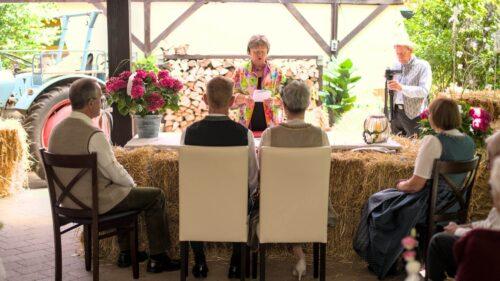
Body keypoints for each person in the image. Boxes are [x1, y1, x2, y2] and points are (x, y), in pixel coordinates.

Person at [48, 78, 180, 273]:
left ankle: (127, 253)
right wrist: (132, 185)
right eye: (101, 100)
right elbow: (114, 170)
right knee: (154, 195)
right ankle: (158, 257)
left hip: (67, 204)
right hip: (94, 203)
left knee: (118, 188)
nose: (102, 104)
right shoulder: (94, 134)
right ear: (91, 103)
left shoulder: (56, 131)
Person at [353, 98, 475, 279]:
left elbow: (416, 185)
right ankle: (402, 259)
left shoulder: (433, 141)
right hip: (455, 204)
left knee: (378, 203)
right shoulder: (469, 142)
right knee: (386, 201)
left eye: (431, 112)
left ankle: (385, 263)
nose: (428, 116)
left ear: (438, 116)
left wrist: (400, 184)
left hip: (431, 202)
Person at [180, 76, 259, 279]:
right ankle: (235, 264)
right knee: (249, 202)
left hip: (198, 206)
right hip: (234, 207)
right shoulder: (244, 134)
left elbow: (186, 175)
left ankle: (199, 262)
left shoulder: (188, 134)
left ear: (205, 99)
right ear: (232, 102)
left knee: (192, 201)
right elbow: (252, 178)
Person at [256, 80, 334, 280]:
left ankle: (296, 256)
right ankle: (300, 256)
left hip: (275, 209)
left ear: (283, 104)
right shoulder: (321, 137)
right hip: (312, 210)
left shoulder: (269, 135)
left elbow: (260, 174)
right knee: (300, 200)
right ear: (308, 104)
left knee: (278, 201)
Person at [426, 132, 500, 281]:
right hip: (457, 209)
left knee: (438, 242)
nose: (487, 167)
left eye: (490, 159)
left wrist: (459, 230)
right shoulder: (468, 142)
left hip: (488, 257)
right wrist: (466, 226)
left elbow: (490, 240)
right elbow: (490, 224)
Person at [232, 34, 284, 134]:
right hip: (246, 123)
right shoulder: (241, 70)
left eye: (262, 52)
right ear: (249, 52)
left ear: (267, 52)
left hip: (272, 123)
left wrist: (274, 100)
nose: (259, 55)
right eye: (256, 52)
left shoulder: (276, 71)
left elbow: (284, 97)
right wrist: (244, 98)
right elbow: (231, 96)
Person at [388, 38, 432, 137]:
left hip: (414, 115)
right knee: (396, 148)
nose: (399, 57)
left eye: (402, 54)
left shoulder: (423, 66)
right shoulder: (395, 65)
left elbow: (424, 91)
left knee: (414, 148)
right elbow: (390, 87)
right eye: (397, 54)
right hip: (395, 114)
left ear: (411, 50)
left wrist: (401, 88)